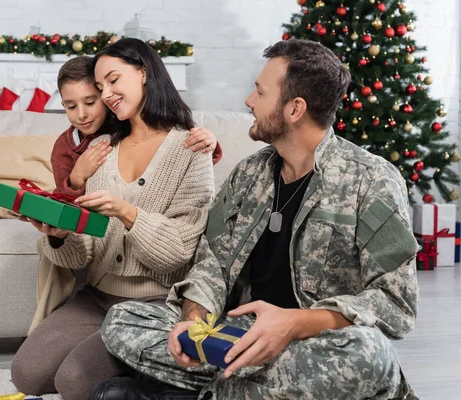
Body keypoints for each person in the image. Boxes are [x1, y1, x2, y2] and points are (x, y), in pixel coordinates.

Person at [92, 39, 420, 400]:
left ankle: (202, 393)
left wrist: (294, 324)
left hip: (312, 345)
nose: (249, 101)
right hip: (240, 336)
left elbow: (395, 301)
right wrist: (193, 325)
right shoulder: (248, 174)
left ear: (294, 109)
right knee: (123, 320)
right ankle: (244, 388)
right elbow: (212, 262)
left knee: (368, 355)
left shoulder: (371, 180)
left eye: (260, 92)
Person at [11, 38, 216, 400]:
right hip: (97, 296)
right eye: (100, 86)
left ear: (143, 72)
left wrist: (127, 212)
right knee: (27, 374)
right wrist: (59, 234)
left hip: (154, 303)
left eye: (112, 81)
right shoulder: (100, 147)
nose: (105, 94)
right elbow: (81, 254)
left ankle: (160, 379)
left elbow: (179, 252)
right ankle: (132, 361)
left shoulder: (191, 148)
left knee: (74, 383)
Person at [49, 56, 223, 197]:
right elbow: (64, 209)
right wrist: (76, 179)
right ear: (63, 105)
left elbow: (185, 161)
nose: (81, 114)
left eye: (89, 102)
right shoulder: (64, 148)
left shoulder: (127, 125)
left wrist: (208, 142)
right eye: (71, 107)